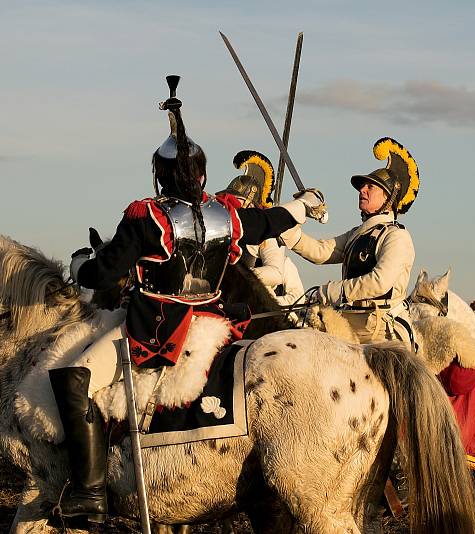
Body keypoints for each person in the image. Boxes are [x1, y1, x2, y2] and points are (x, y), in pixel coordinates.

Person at [47, 76, 327, 523]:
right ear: (202, 173)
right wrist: (304, 203)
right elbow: (269, 222)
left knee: (72, 373)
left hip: (154, 329)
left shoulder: (147, 217)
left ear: (160, 173)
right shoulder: (227, 215)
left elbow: (105, 273)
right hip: (213, 325)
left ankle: (89, 491)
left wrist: (81, 264)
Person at [284, 137, 418, 348]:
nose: (362, 190)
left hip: (382, 330)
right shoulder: (357, 234)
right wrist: (287, 225)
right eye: (362, 186)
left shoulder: (396, 236)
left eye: (371, 187)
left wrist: (331, 291)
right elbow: (321, 252)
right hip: (349, 322)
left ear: (389, 198)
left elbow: (380, 281)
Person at [218, 150, 305, 307]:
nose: (232, 204)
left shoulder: (268, 235)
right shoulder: (228, 230)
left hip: (258, 305)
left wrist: (240, 277)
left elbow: (275, 273)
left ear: (250, 203)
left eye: (238, 199)